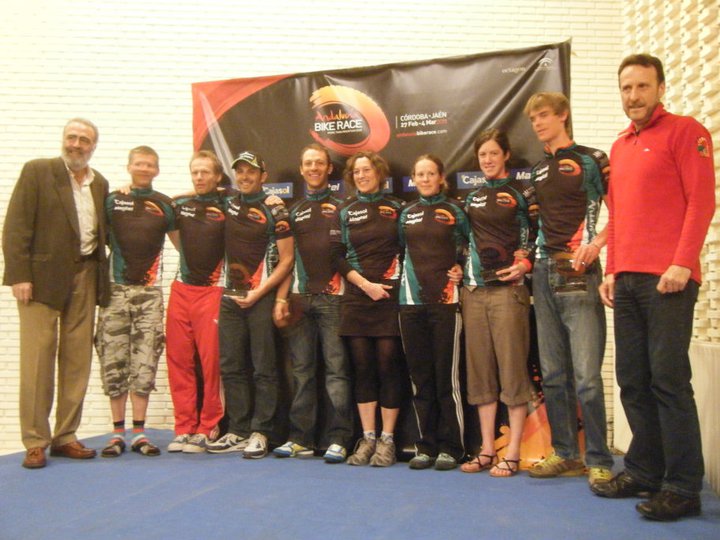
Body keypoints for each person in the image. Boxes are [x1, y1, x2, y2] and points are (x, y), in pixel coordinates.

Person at [592, 54, 715, 521]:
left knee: (667, 381)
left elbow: (701, 201)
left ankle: (682, 487)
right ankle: (644, 471)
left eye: (642, 86)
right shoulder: (621, 146)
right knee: (632, 380)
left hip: (669, 280)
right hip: (626, 280)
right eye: (626, 88)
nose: (634, 96)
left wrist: (682, 262)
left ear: (660, 88)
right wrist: (611, 269)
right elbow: (619, 215)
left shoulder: (686, 132)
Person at [3, 118, 110, 469]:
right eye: (71, 137)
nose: (76, 144)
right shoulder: (38, 171)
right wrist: (19, 275)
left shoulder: (99, 183)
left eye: (84, 140)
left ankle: (66, 436)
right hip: (41, 280)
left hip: (86, 275)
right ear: (63, 139)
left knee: (78, 360)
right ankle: (36, 440)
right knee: (38, 360)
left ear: (93, 147)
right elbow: (16, 226)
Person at [523, 93, 614, 485]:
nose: (538, 123)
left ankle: (599, 459)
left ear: (563, 115)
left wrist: (596, 245)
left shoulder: (593, 159)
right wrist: (525, 260)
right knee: (553, 373)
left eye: (544, 115)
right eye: (533, 119)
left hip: (580, 270)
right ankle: (565, 453)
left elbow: (622, 211)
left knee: (587, 377)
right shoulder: (537, 171)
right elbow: (531, 228)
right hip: (544, 273)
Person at [207, 151, 294, 459]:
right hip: (229, 297)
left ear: (263, 176)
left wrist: (261, 294)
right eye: (240, 171)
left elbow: (287, 260)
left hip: (261, 297)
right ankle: (238, 429)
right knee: (231, 366)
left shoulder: (276, 209)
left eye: (251, 171)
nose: (244, 176)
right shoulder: (227, 202)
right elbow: (193, 195)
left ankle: (262, 431)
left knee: (263, 368)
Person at [458, 130, 535, 477]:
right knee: (480, 374)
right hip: (474, 292)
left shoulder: (522, 193)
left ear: (506, 155)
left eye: (493, 153)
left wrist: (525, 263)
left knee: (512, 370)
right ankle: (487, 449)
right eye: (482, 155)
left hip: (509, 292)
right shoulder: (471, 198)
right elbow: (462, 242)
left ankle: (514, 451)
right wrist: (458, 268)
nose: (487, 160)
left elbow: (538, 233)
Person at [271, 144, 353, 463]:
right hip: (300, 300)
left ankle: (339, 439)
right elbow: (286, 261)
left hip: (335, 299)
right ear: (301, 169)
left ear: (329, 168)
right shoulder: (293, 211)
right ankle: (300, 438)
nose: (314, 168)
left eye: (319, 163)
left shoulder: (343, 207)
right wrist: (282, 297)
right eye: (308, 164)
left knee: (336, 371)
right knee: (302, 371)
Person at [94, 146, 174, 458]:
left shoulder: (165, 204)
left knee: (145, 363)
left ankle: (139, 433)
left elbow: (184, 241)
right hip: (115, 292)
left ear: (157, 170)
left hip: (149, 295)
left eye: (150, 164)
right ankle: (117, 434)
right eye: (139, 163)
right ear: (129, 166)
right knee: (114, 362)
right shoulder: (112, 200)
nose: (144, 168)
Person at [330, 151, 405, 467]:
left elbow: (411, 250)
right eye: (356, 171)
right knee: (362, 369)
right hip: (357, 297)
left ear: (379, 172)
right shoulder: (345, 210)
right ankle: (368, 437)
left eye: (367, 169)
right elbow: (336, 256)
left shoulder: (398, 208)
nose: (361, 175)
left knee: (388, 368)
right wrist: (365, 285)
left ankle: (388, 440)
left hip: (389, 297)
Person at [399, 154, 468, 471]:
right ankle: (425, 446)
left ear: (441, 177)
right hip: (410, 303)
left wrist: (461, 267)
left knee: (445, 379)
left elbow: (468, 247)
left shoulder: (456, 211)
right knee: (420, 379)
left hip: (445, 303)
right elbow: (400, 250)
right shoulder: (406, 213)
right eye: (420, 174)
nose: (425, 179)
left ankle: (452, 448)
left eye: (430, 174)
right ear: (413, 179)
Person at [165, 150, 226, 453]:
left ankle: (208, 426)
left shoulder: (228, 204)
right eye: (195, 172)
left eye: (205, 172)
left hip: (212, 291)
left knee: (210, 363)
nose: (199, 177)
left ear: (217, 176)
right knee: (178, 360)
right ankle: (184, 427)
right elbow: (176, 238)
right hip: (181, 289)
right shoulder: (180, 206)